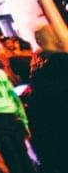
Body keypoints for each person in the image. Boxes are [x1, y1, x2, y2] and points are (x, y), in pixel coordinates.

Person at [27, 27, 68, 173]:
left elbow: (41, 108)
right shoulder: (52, 63)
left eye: (38, 38)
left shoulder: (46, 70)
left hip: (56, 131)